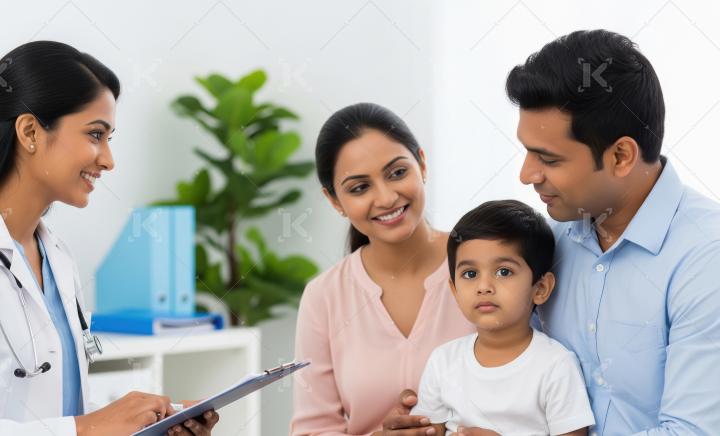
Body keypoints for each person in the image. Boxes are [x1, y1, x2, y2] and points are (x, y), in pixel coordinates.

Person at [0, 41, 218, 436]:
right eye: (96, 134)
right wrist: (87, 428)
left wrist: (145, 424)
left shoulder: (56, 257)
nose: (108, 160)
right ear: (29, 131)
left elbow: (57, 409)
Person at [506, 29, 720, 434]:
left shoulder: (707, 258)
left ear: (621, 156)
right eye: (527, 151)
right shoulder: (549, 242)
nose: (526, 175)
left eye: (548, 158)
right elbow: (512, 375)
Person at [290, 103, 473, 436]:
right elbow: (312, 430)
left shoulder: (486, 262)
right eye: (360, 188)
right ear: (334, 201)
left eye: (397, 172)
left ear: (422, 165)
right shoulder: (324, 297)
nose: (387, 197)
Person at [412, 200, 594, 435]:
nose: (484, 286)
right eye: (470, 274)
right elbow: (429, 429)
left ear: (540, 288)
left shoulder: (555, 365)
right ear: (455, 291)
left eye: (504, 272)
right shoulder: (443, 361)